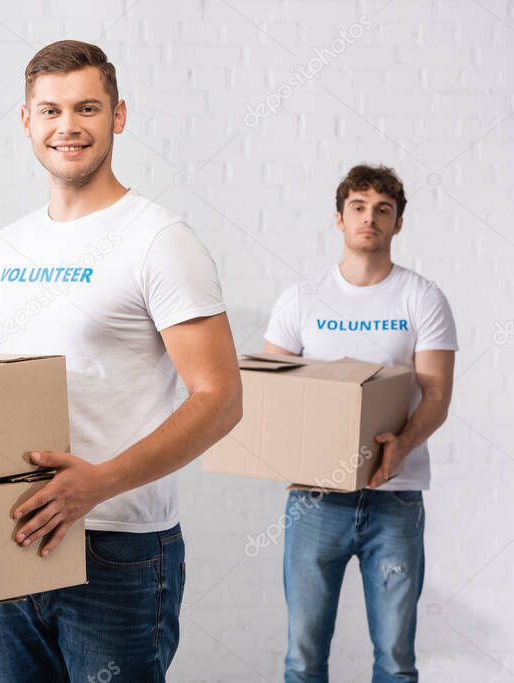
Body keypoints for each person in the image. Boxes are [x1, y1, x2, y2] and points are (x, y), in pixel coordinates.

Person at [0, 40, 243, 682]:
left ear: (118, 116)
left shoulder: (159, 239)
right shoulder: (4, 247)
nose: (68, 126)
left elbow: (221, 398)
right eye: (51, 110)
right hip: (15, 539)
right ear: (27, 121)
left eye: (87, 108)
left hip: (118, 550)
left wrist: (100, 483)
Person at [263, 164, 457, 682]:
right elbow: (270, 393)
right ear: (339, 219)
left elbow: (436, 394)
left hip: (395, 499)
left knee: (395, 660)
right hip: (314, 501)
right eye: (358, 207)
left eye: (383, 210)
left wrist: (403, 445)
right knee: (303, 660)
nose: (369, 218)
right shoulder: (301, 299)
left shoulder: (422, 297)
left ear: (398, 224)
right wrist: (287, 455)